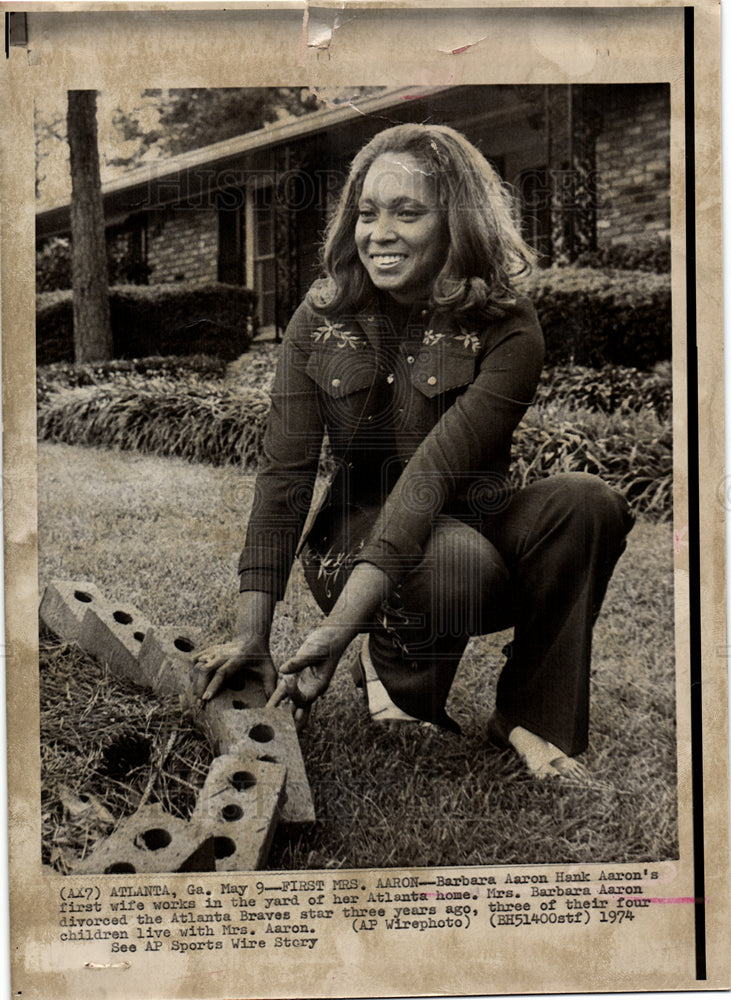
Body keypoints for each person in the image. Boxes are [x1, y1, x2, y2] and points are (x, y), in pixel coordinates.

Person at [192, 123, 634, 784]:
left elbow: (433, 474)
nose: (378, 233)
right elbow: (284, 476)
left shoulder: (507, 323)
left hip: (466, 516)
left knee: (586, 503)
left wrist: (336, 634)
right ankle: (397, 674)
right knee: (452, 557)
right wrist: (253, 634)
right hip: (353, 541)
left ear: (456, 222)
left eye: (407, 212)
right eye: (367, 213)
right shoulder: (319, 316)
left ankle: (532, 721)